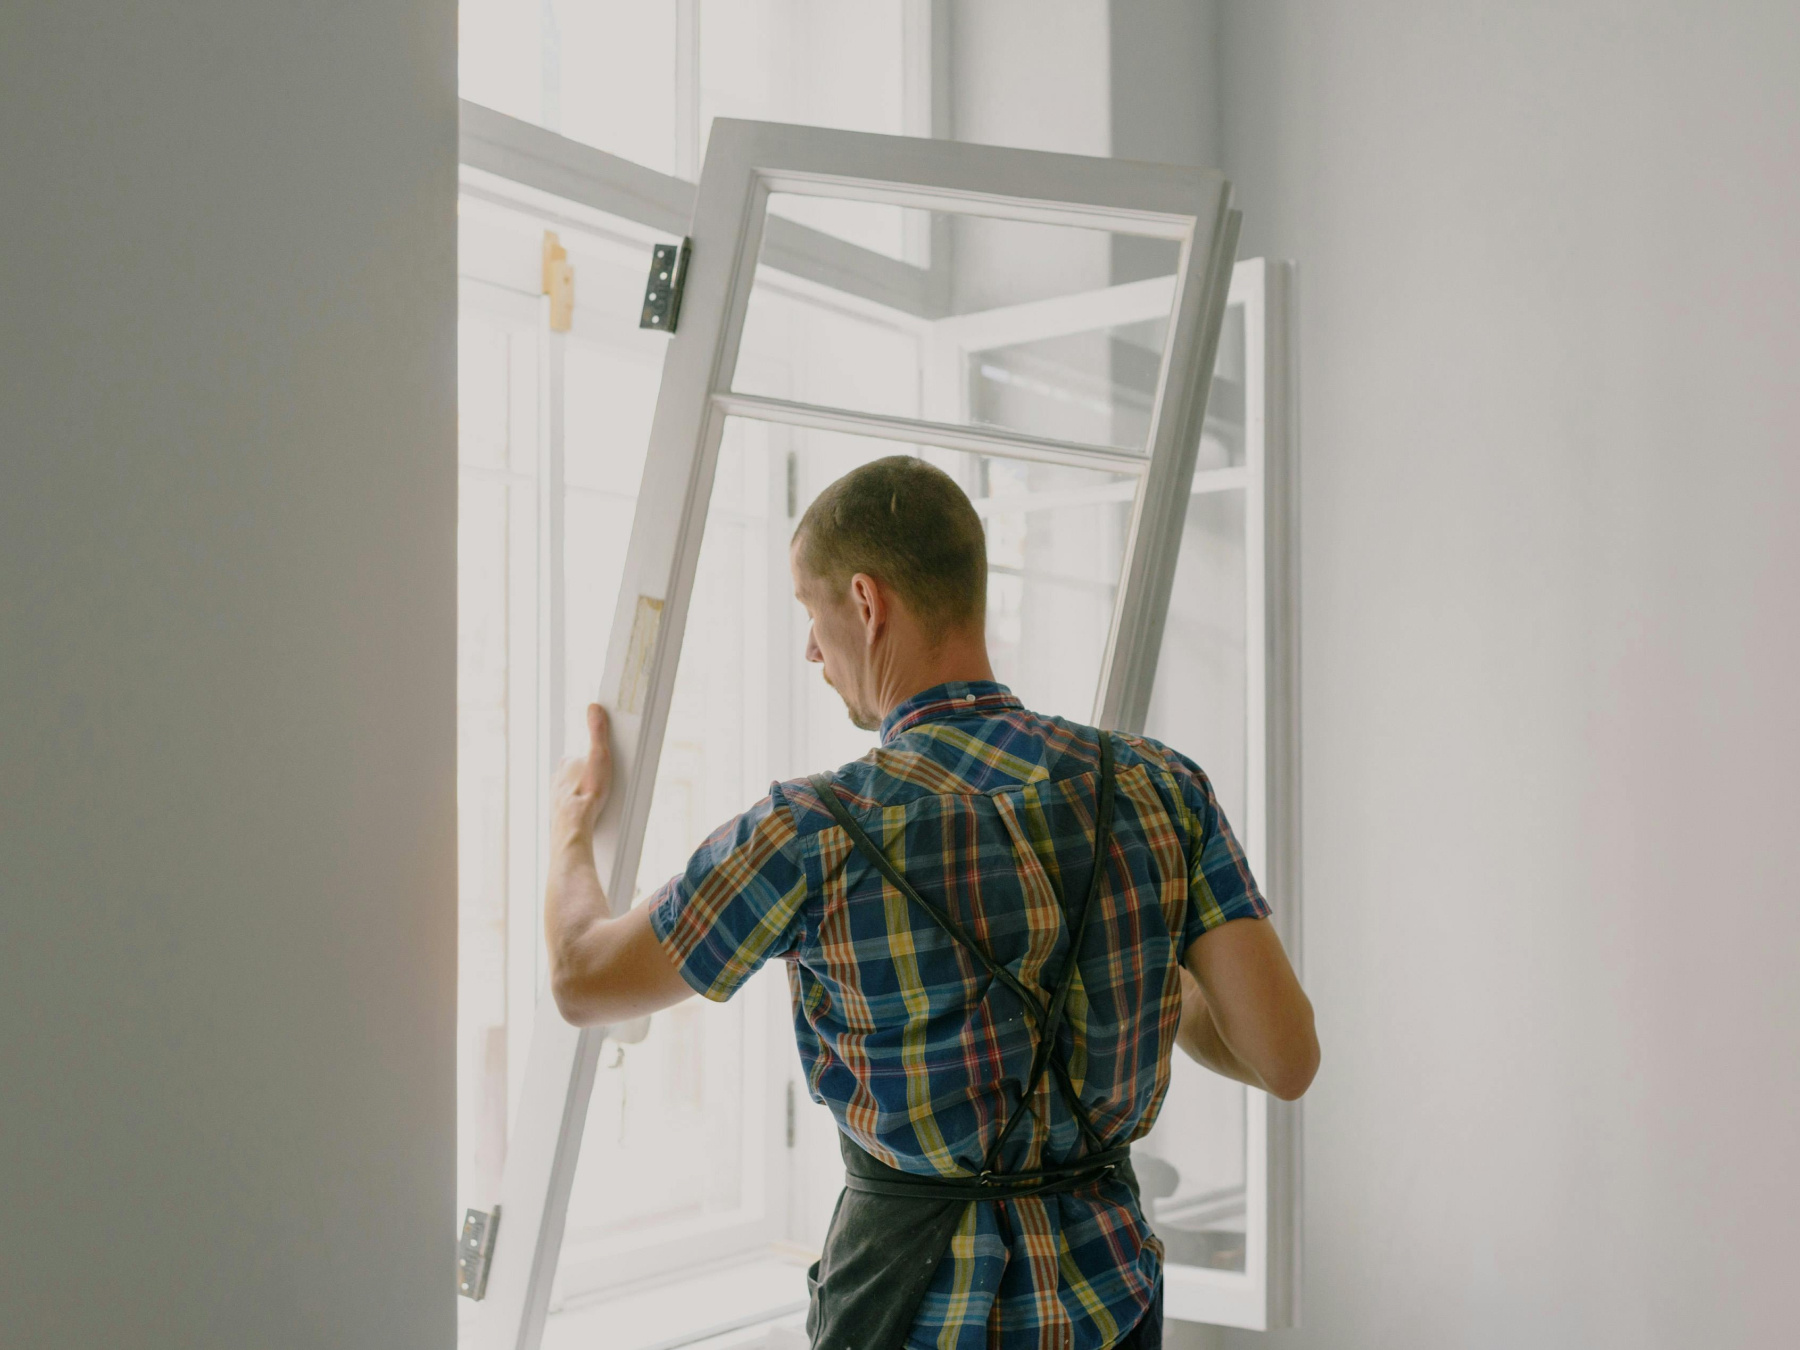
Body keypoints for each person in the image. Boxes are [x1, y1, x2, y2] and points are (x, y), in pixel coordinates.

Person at [544, 455, 1319, 1350]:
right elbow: (1286, 1059)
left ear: (866, 604)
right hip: (1111, 1307)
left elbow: (581, 978)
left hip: (911, 1317)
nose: (809, 647)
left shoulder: (812, 830)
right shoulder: (1158, 787)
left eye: (810, 610)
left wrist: (568, 831)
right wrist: (1146, 972)